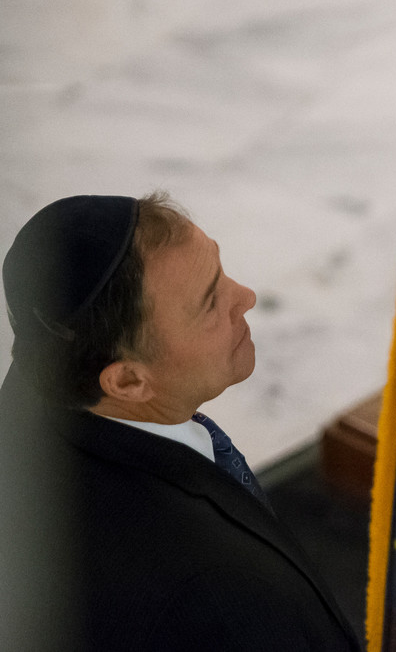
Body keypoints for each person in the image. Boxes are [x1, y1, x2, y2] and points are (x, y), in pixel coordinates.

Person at [0, 193, 363, 652]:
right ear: (128, 381)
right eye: (210, 303)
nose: (247, 298)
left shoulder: (42, 374)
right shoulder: (219, 592)